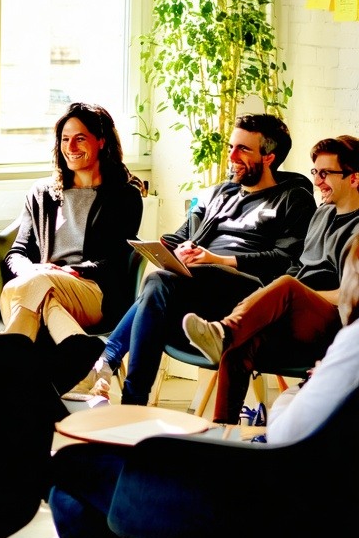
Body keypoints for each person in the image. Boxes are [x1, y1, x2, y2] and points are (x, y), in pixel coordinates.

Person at [48, 235, 359, 538]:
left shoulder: (353, 346)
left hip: (275, 509)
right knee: (162, 288)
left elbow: (287, 429)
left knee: (70, 478)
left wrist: (301, 392)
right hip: (334, 520)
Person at [89, 114, 316, 405]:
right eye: (231, 146)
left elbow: (285, 258)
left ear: (269, 157)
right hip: (198, 287)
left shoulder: (291, 198)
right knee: (160, 284)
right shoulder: (222, 193)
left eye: (243, 149)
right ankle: (126, 390)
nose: (231, 156)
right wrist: (176, 250)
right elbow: (180, 236)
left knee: (159, 282)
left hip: (250, 293)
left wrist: (218, 260)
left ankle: (112, 365)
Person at [183, 135, 359, 423]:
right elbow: (299, 268)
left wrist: (293, 292)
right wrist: (269, 299)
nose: (317, 181)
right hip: (296, 310)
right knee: (238, 348)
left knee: (287, 286)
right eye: (315, 172)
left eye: (326, 173)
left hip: (333, 320)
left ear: (354, 178)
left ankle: (224, 330)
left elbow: (350, 296)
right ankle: (222, 437)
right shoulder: (322, 214)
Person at [0, 103, 143, 394]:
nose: (70, 146)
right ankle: (90, 367)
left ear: (101, 141)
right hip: (39, 287)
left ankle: (0, 374)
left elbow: (115, 260)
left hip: (93, 291)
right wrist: (34, 270)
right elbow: (16, 253)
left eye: (80, 138)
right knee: (40, 290)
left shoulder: (124, 196)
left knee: (34, 286)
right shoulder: (41, 194)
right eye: (65, 139)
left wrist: (67, 271)